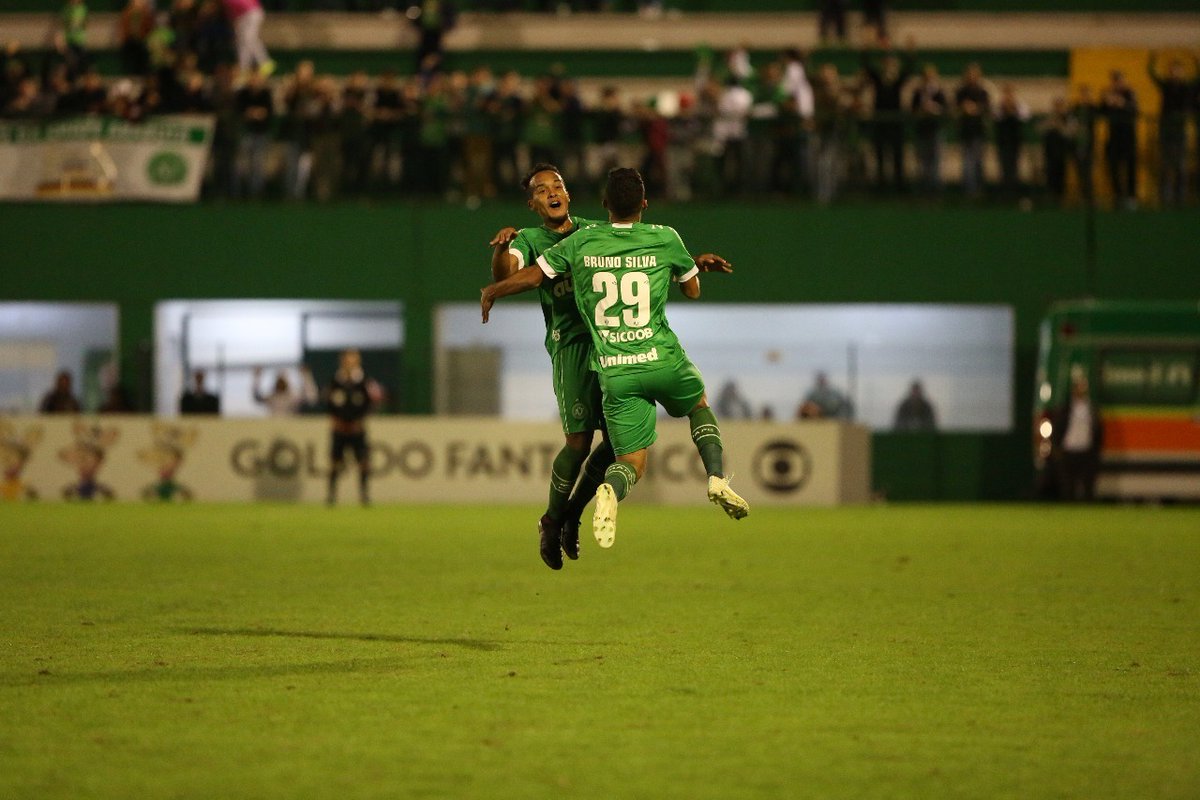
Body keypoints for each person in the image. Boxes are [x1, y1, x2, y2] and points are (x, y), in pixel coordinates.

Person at [481, 167, 749, 550]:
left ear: (572, 195)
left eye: (558, 185)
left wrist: (690, 262)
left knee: (614, 446)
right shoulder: (529, 238)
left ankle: (573, 515)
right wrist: (500, 254)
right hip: (574, 346)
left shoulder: (590, 232)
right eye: (542, 190)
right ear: (533, 203)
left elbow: (632, 249)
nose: (552, 192)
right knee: (578, 442)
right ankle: (551, 522)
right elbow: (516, 271)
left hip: (607, 351)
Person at [325, 348, 380, 507]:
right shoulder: (335, 381)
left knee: (363, 462)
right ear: (342, 361)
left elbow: (372, 403)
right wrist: (335, 420)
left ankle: (364, 496)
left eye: (353, 359)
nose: (350, 363)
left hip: (357, 430)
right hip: (339, 430)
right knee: (335, 462)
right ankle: (331, 496)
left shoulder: (365, 381)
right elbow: (328, 403)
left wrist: (361, 420)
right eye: (347, 360)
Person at [1147, 52, 1198, 208]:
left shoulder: (1187, 87)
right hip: (1165, 128)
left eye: (1178, 70)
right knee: (1165, 163)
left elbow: (1198, 78)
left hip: (1179, 129)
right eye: (1173, 70)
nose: (1175, 72)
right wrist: (1153, 57)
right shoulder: (1166, 85)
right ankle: (1165, 197)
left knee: (1180, 164)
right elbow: (1152, 74)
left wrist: (1195, 60)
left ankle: (1180, 197)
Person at [1051, 373, 1103, 502]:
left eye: (1083, 387)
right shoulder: (1065, 408)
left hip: (1086, 451)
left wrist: (1096, 449)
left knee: (1088, 487)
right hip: (1069, 450)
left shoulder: (1091, 408)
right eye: (1079, 387)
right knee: (1068, 487)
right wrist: (1057, 448)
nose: (1081, 389)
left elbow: (1097, 430)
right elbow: (1057, 428)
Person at [253, 365, 317, 416]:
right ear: (275, 383)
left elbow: (311, 398)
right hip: (273, 426)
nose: (280, 383)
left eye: (282, 381)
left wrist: (306, 376)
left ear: (287, 383)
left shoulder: (292, 398)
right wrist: (257, 377)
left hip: (289, 426)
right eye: (279, 381)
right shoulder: (271, 397)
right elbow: (257, 397)